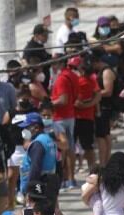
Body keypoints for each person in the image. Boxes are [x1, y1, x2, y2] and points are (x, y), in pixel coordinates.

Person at [51, 56, 79, 188]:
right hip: (70, 115)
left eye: (54, 63)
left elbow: (63, 100)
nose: (52, 66)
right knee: (70, 147)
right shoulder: (72, 75)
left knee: (63, 149)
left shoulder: (62, 78)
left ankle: (65, 179)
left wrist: (48, 104)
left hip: (60, 117)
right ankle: (71, 179)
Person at [71, 55, 100, 180]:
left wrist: (87, 105)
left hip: (83, 117)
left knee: (85, 146)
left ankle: (91, 170)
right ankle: (83, 170)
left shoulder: (86, 80)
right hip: (79, 116)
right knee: (81, 146)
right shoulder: (78, 79)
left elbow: (97, 96)